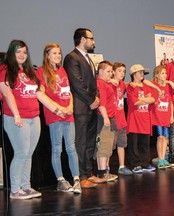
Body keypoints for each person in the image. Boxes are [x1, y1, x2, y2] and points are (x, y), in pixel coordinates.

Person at [0, 40, 61, 199]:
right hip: (17, 117)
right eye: (18, 51)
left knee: (29, 153)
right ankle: (15, 190)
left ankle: (26, 187)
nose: (22, 55)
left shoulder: (28, 71)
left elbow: (38, 91)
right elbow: (7, 93)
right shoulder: (4, 69)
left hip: (34, 116)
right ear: (12, 53)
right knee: (21, 152)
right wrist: (16, 115)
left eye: (24, 52)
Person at [36, 43, 81, 193]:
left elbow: (68, 93)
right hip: (55, 115)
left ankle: (76, 179)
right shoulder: (42, 72)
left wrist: (70, 107)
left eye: (59, 53)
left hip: (68, 114)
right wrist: (58, 109)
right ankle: (60, 180)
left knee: (71, 147)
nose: (57, 56)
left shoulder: (62, 70)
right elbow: (41, 94)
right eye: (54, 53)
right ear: (47, 55)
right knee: (57, 149)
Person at [63, 28, 105, 188]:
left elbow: (94, 82)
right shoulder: (71, 58)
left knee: (90, 142)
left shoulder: (87, 58)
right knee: (80, 143)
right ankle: (80, 177)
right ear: (82, 39)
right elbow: (77, 83)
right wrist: (91, 99)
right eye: (91, 38)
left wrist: (97, 98)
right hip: (81, 108)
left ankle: (89, 173)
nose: (93, 41)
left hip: (92, 107)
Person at [126, 64, 156, 174]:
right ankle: (135, 164)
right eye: (140, 72)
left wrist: (142, 99)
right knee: (134, 144)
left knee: (145, 143)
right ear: (134, 74)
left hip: (145, 120)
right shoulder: (131, 87)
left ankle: (145, 163)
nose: (142, 74)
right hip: (134, 120)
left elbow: (152, 99)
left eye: (143, 72)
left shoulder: (146, 86)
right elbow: (135, 102)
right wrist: (145, 99)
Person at [95, 60, 118, 182]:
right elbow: (101, 103)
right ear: (100, 71)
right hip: (105, 118)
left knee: (105, 146)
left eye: (112, 71)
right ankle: (103, 173)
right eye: (108, 71)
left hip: (108, 117)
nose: (111, 74)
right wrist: (105, 118)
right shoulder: (101, 84)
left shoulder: (105, 83)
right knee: (104, 145)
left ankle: (101, 172)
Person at [110, 62, 133, 175]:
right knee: (109, 146)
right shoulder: (108, 83)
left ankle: (121, 166)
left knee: (121, 144)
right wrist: (110, 80)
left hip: (121, 120)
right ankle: (106, 169)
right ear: (113, 72)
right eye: (119, 71)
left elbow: (135, 83)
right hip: (112, 120)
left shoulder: (123, 85)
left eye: (124, 71)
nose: (122, 73)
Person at [151, 65, 174, 169]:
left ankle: (164, 158)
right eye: (162, 73)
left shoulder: (168, 86)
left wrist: (171, 116)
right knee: (160, 137)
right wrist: (156, 87)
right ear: (157, 75)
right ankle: (160, 158)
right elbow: (145, 82)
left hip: (166, 115)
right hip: (157, 115)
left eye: (165, 73)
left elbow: (171, 103)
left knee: (165, 137)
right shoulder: (153, 84)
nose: (165, 75)